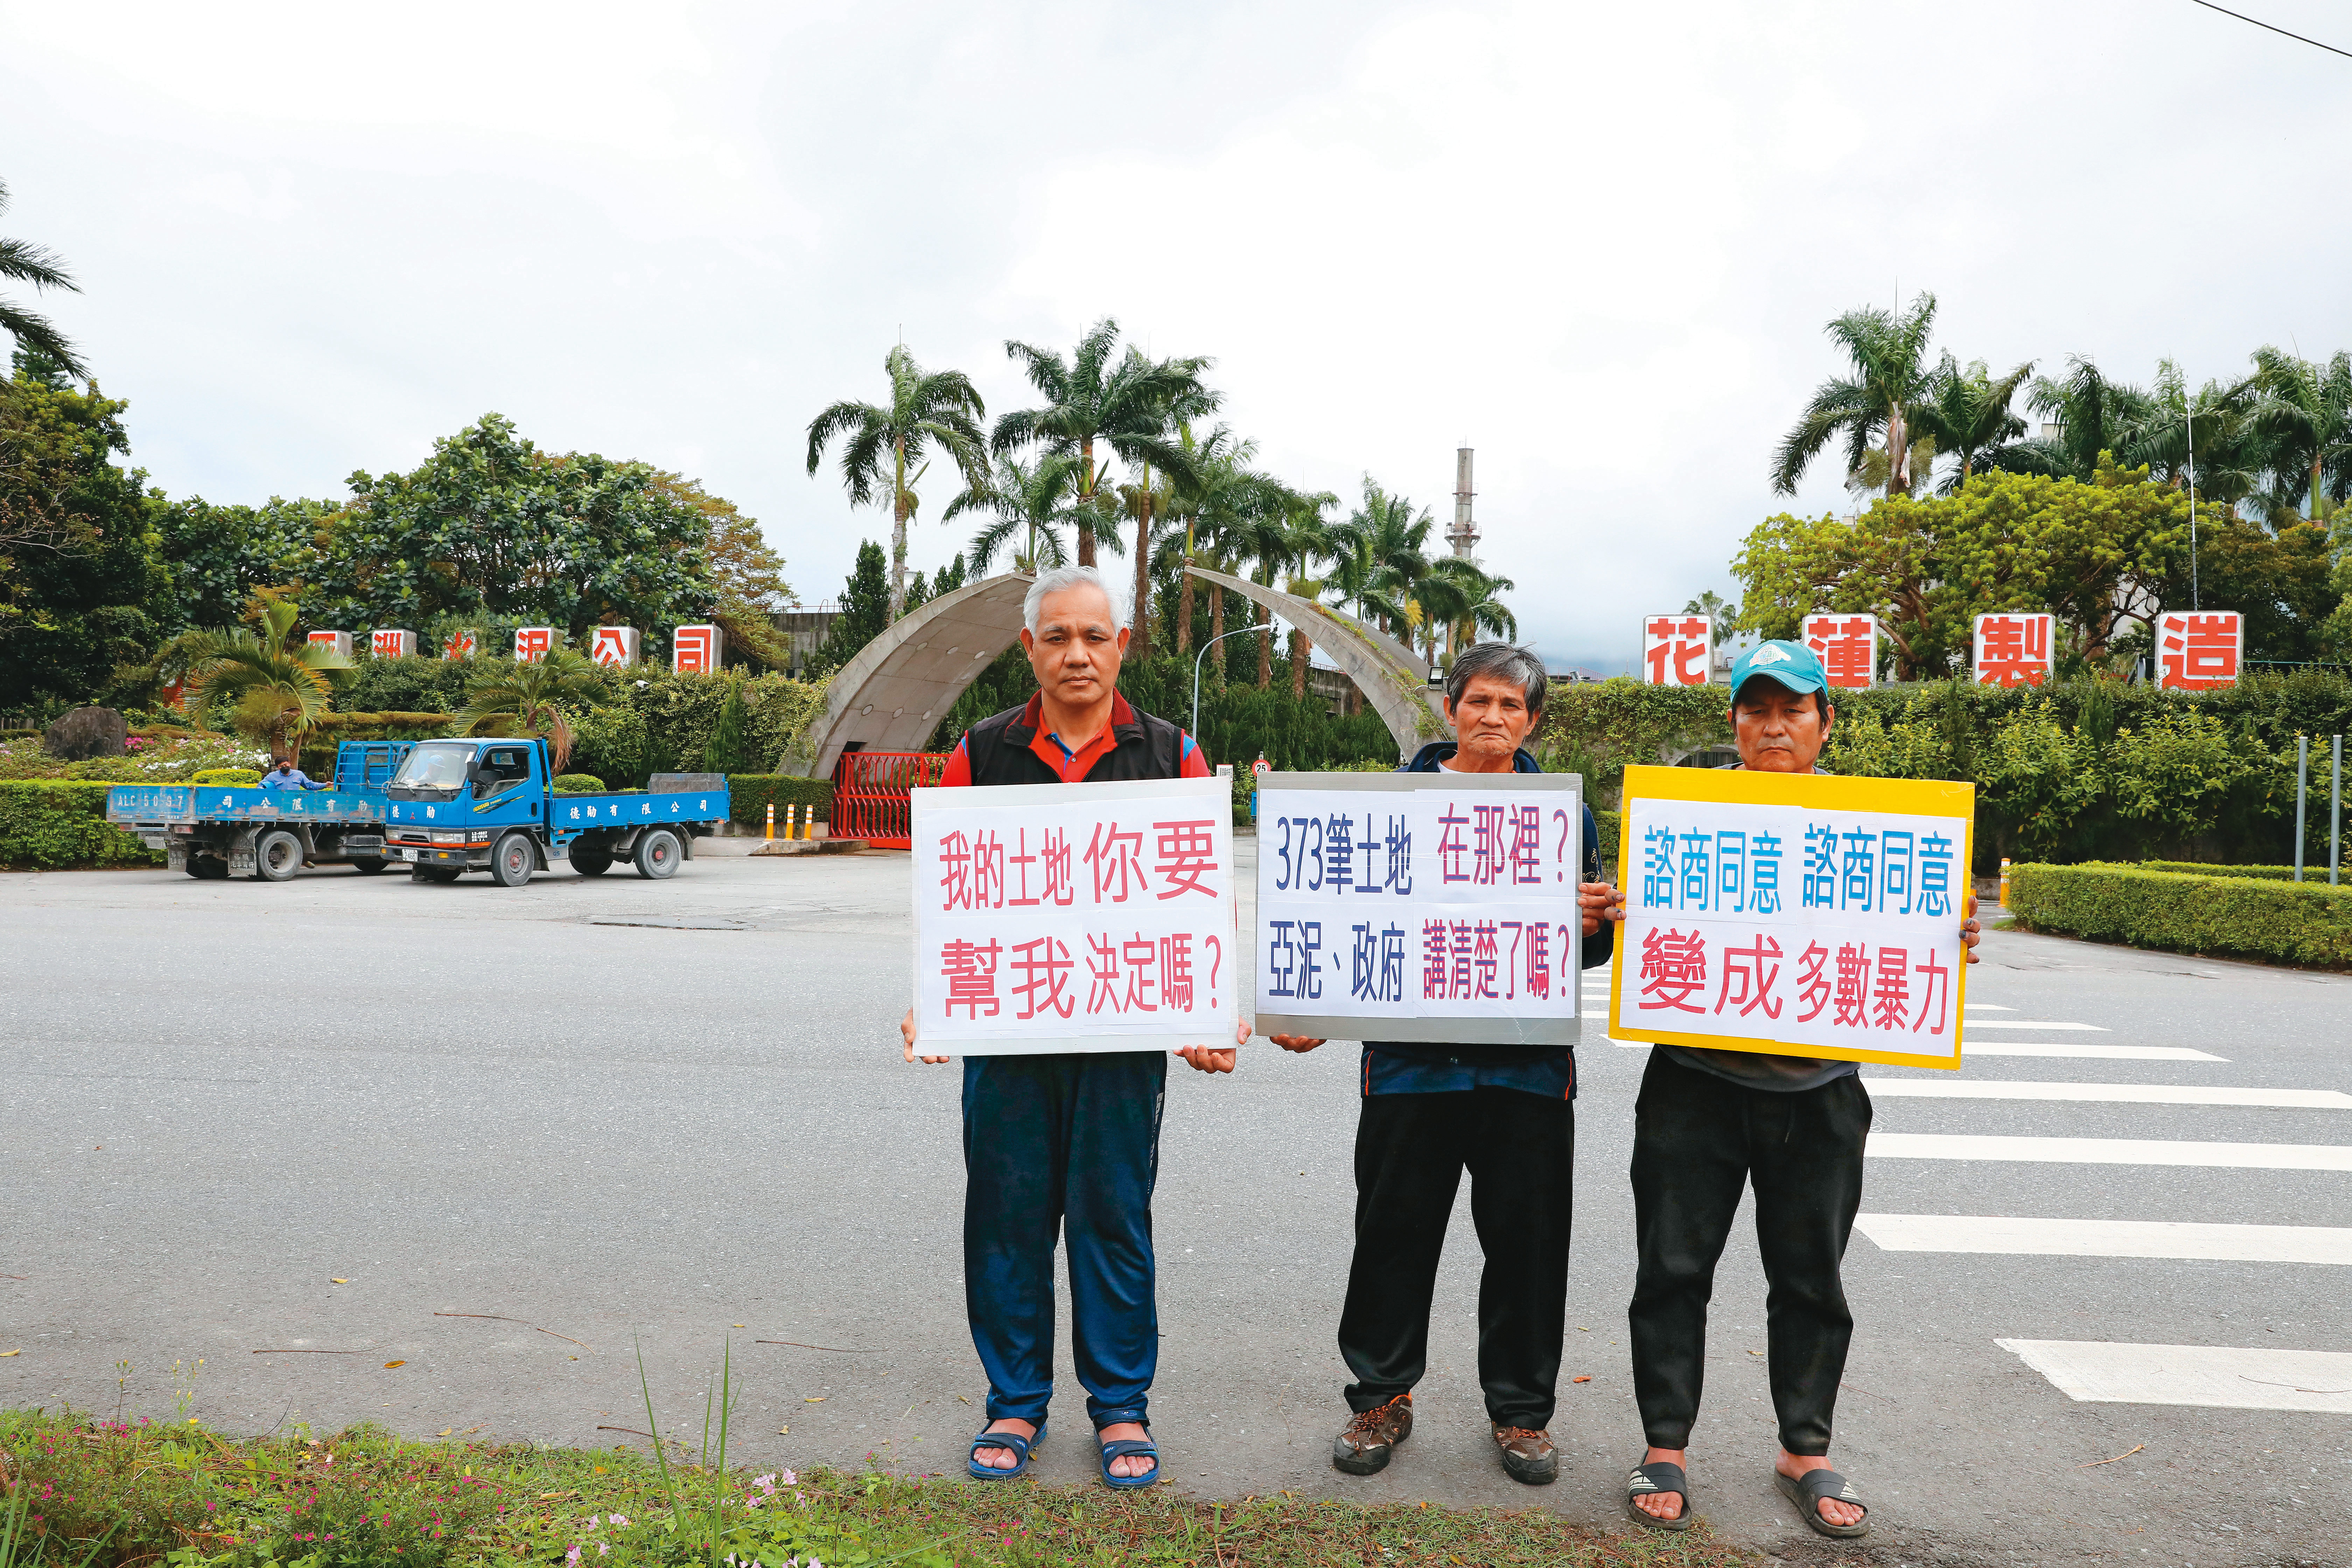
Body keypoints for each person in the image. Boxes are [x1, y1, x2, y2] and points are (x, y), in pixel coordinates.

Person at [1587, 639, 1982, 1540]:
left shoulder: (1881, 829)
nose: (1773, 727)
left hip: (1821, 1092)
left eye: (1793, 710)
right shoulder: (1683, 816)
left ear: (1824, 723)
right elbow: (1624, 937)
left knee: (1811, 1279)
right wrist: (1612, 915)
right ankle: (1666, 1444)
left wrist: (1947, 931)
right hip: (1693, 1081)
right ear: (1734, 720)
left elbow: (1926, 932)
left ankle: (1804, 1448)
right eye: (1756, 710)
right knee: (1672, 1271)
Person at [899, 565, 1249, 1491]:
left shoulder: (1170, 751)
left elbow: (1201, 902)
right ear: (1030, 649)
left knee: (1112, 1219)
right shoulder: (983, 749)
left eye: (1095, 636)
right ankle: (1014, 1402)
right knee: (1007, 1220)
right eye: (1057, 637)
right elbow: (952, 894)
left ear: (1123, 646)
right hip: (1011, 1036)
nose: (1077, 653)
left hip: (1124, 1043)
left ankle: (1121, 1407)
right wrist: (930, 997)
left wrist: (1206, 1012)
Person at [1267, 642, 1616, 1488]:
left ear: (1534, 721)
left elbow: (1580, 954)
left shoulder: (1560, 813)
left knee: (1528, 1248)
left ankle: (1522, 1413)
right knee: (1392, 1237)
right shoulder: (1394, 803)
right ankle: (1382, 1396)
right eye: (1479, 701)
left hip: (1526, 1070)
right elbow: (1354, 918)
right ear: (1451, 708)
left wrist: (1595, 924)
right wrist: (1316, 1005)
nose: (1493, 718)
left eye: (1512, 706)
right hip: (1412, 1068)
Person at [259, 759, 328, 790]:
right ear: (278, 767)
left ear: (289, 763)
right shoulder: (272, 776)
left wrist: (325, 785)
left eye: (285, 765)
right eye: (281, 766)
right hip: (278, 804)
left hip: (295, 803)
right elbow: (260, 786)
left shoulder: (299, 774)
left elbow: (310, 786)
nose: (284, 767)